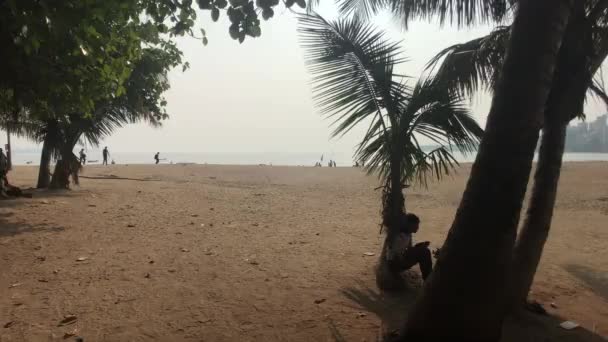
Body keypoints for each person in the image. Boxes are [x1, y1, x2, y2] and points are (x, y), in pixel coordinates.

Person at [386, 213, 433, 280]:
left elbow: (408, 249)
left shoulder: (408, 234)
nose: (417, 227)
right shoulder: (399, 237)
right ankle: (428, 279)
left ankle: (428, 278)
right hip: (395, 263)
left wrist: (419, 246)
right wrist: (417, 250)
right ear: (409, 225)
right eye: (416, 225)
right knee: (425, 252)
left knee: (424, 251)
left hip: (400, 260)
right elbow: (395, 255)